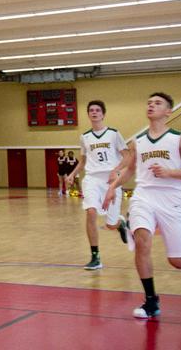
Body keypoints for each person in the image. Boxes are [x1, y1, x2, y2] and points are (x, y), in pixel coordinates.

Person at [104, 92, 181, 319]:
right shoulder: (138, 141)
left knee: (178, 262)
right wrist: (113, 186)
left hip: (172, 197)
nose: (151, 105)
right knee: (142, 242)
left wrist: (169, 172)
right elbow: (131, 170)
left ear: (168, 111)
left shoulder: (179, 139)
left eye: (157, 103)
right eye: (149, 102)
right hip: (144, 196)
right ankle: (151, 301)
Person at [66, 100, 130, 271]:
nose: (94, 112)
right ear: (88, 114)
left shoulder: (114, 134)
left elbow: (127, 157)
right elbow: (83, 161)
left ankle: (120, 224)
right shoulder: (84, 137)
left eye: (98, 110)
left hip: (111, 181)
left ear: (103, 114)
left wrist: (116, 170)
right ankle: (95, 257)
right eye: (91, 110)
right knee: (91, 212)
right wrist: (72, 174)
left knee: (111, 224)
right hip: (92, 179)